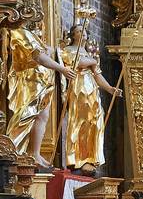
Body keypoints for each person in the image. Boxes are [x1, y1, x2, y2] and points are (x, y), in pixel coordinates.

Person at [6, 25, 77, 169]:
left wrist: (47, 51)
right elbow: (38, 56)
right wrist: (62, 69)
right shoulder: (19, 32)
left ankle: (34, 153)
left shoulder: (30, 34)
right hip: (29, 81)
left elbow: (46, 51)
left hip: (41, 81)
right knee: (27, 115)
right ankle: (13, 151)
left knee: (42, 117)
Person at [60, 28, 122, 173]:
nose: (82, 33)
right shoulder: (69, 49)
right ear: (72, 35)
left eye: (84, 30)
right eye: (78, 31)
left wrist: (110, 89)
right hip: (78, 89)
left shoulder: (88, 53)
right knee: (80, 122)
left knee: (94, 122)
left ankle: (89, 158)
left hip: (92, 90)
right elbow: (79, 63)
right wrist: (92, 61)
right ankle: (76, 158)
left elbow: (97, 75)